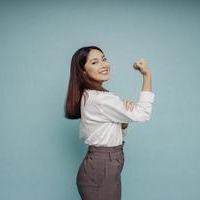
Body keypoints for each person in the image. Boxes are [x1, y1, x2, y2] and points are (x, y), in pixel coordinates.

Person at [64, 46, 155, 200]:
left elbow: (103, 131)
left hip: (104, 165)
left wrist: (123, 122)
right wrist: (147, 75)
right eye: (95, 62)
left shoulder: (92, 96)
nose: (104, 65)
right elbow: (142, 114)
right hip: (102, 167)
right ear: (83, 72)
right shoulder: (100, 99)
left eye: (104, 59)